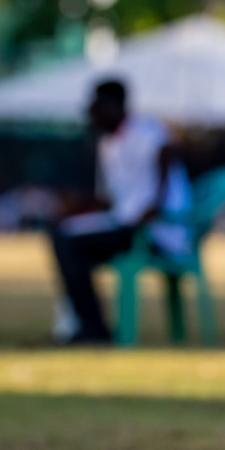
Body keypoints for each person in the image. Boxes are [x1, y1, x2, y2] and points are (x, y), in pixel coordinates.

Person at [47, 79, 190, 344]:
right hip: (123, 224)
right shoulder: (108, 144)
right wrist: (78, 203)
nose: (92, 114)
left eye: (98, 107)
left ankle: (92, 329)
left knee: (69, 245)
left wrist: (156, 204)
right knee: (62, 235)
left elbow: (168, 153)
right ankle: (85, 325)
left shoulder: (145, 131)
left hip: (153, 231)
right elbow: (113, 199)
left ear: (117, 105)